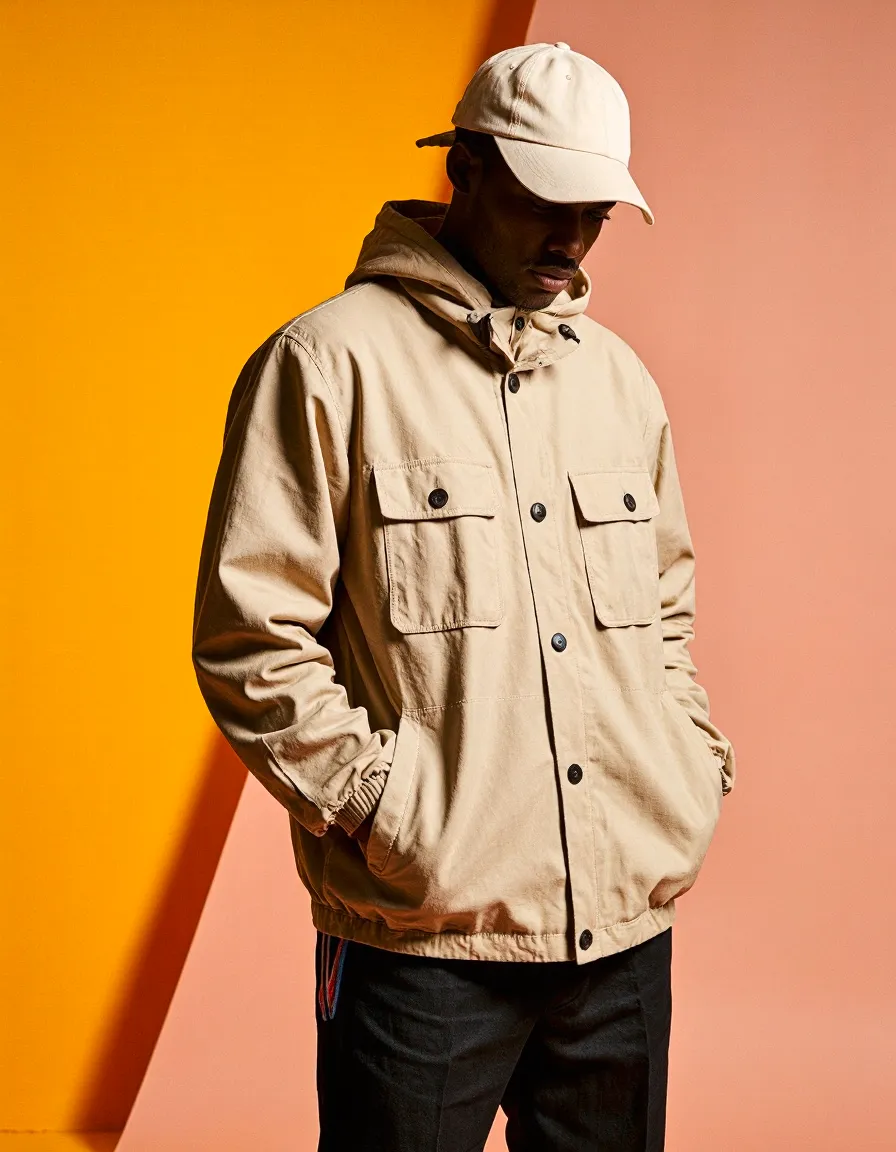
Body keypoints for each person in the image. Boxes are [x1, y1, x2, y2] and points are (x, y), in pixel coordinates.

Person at [191, 40, 736, 1152]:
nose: (572, 238)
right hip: (420, 944)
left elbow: (666, 613)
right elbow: (253, 639)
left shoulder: (619, 385)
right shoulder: (326, 365)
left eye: (595, 208)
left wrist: (686, 763)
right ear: (468, 170)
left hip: (621, 937)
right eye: (546, 198)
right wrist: (386, 815)